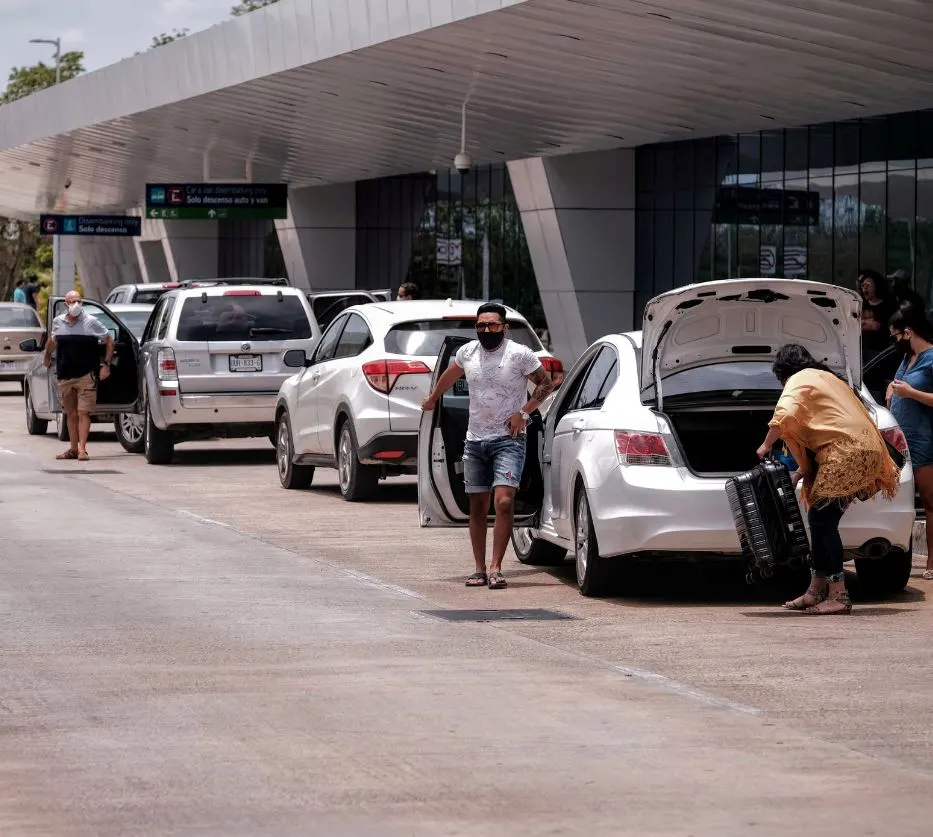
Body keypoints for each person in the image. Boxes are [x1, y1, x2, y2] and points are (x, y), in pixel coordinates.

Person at [756, 344, 900, 614]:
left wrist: (765, 446)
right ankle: (815, 590)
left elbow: (784, 414)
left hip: (845, 453)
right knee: (822, 520)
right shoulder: (830, 378)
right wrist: (802, 470)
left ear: (784, 372)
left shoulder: (799, 379)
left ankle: (839, 595)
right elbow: (827, 424)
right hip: (865, 450)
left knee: (822, 522)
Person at [421, 302, 554, 589]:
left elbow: (546, 384)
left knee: (504, 501)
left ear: (504, 327)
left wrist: (524, 413)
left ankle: (496, 568)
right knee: (477, 506)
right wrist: (433, 397)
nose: (486, 330)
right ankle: (479, 569)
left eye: (493, 325)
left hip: (509, 440)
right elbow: (451, 373)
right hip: (475, 441)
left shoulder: (519, 354)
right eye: (481, 325)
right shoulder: (468, 352)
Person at [887, 304, 933, 579]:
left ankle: (931, 562)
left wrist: (911, 392)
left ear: (908, 332)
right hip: (899, 441)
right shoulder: (907, 359)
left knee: (930, 502)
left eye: (895, 336)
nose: (893, 342)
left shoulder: (931, 358)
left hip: (924, 440)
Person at [43, 290, 114, 462]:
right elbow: (53, 340)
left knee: (84, 413)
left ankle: (82, 449)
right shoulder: (58, 321)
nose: (76, 304)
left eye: (79, 301)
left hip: (86, 375)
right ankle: (73, 449)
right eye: (72, 301)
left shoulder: (91, 322)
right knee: (71, 413)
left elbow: (109, 340)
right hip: (65, 375)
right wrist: (46, 355)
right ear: (65, 303)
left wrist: (106, 364)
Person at [858, 269, 895, 355]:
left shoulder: (888, 306)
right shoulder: (860, 305)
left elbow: (876, 326)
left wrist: (864, 323)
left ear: (876, 286)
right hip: (862, 350)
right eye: (863, 285)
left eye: (868, 285)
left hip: (880, 351)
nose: (865, 288)